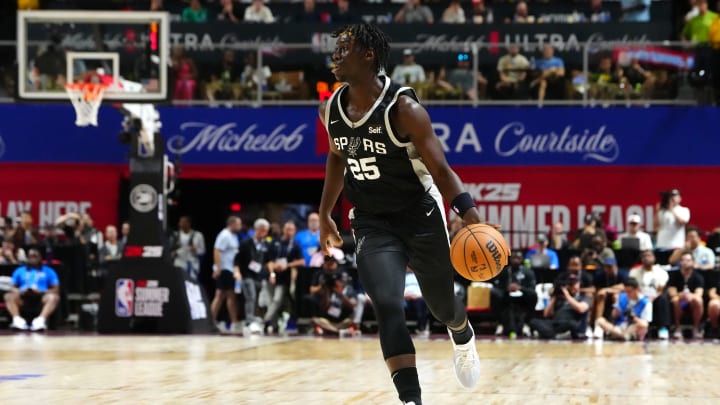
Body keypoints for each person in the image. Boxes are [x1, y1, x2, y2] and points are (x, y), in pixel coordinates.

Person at [318, 23, 489, 404]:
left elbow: (442, 170)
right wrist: (325, 213)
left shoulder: (404, 109)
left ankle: (461, 333)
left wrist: (468, 212)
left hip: (419, 213)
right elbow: (336, 156)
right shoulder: (330, 108)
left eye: (344, 48)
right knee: (389, 305)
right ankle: (411, 399)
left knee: (442, 305)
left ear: (368, 55)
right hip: (370, 220)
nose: (335, 55)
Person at [4, 248, 60, 331]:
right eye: (30, 256)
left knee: (53, 297)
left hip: (41, 297)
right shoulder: (19, 270)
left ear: (40, 258)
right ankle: (18, 321)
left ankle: (40, 321)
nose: (33, 259)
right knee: (8, 296)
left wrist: (42, 291)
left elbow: (56, 289)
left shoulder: (49, 271)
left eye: (35, 256)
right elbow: (12, 287)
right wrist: (20, 291)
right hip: (23, 297)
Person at [211, 216, 242, 334]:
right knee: (226, 296)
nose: (240, 226)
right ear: (232, 224)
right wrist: (218, 268)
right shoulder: (224, 235)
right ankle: (233, 322)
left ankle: (213, 320)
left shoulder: (233, 236)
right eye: (238, 224)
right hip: (224, 269)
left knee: (222, 296)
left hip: (230, 269)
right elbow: (217, 250)